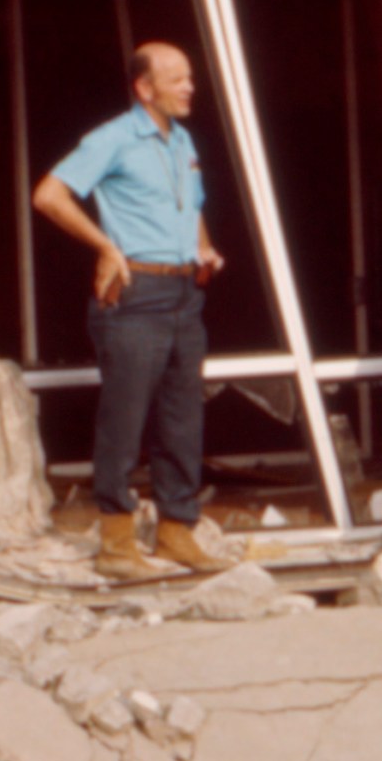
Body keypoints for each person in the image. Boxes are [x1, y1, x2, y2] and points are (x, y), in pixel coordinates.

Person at [33, 44, 224, 584]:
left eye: (190, 76)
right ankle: (116, 541)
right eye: (176, 79)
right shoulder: (112, 138)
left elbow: (194, 207)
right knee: (126, 419)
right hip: (136, 296)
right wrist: (105, 247)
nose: (190, 86)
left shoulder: (181, 140)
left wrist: (203, 251)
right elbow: (49, 196)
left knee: (182, 417)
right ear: (145, 89)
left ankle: (176, 528)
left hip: (185, 296)